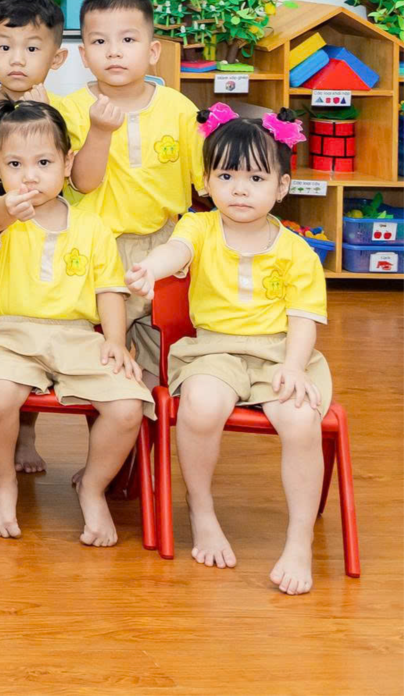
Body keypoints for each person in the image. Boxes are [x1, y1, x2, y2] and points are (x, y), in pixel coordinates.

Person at [127, 108, 333, 595]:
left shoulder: (298, 252)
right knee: (200, 406)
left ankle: (299, 539)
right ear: (206, 181)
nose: (240, 190)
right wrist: (150, 268)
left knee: (301, 421)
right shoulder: (198, 228)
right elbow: (175, 252)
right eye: (226, 176)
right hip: (212, 351)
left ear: (281, 187)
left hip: (280, 354)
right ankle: (202, 513)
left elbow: (304, 319)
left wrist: (294, 366)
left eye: (256, 179)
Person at [0, 99, 151, 545]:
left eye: (43, 163)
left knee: (127, 407)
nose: (29, 176)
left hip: (79, 337)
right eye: (15, 164)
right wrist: (9, 207)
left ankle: (93, 488)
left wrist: (115, 341)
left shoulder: (93, 226)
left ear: (67, 164)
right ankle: (4, 482)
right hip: (12, 335)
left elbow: (109, 290)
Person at [0, 0, 104, 474]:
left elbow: (81, 179)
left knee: (38, 339)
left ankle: (27, 436)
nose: (17, 59)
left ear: (56, 58)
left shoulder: (67, 112)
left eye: (32, 48)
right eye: (4, 47)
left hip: (50, 247)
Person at [59, 0, 202, 377]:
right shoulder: (72, 109)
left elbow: (207, 182)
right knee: (103, 356)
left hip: (166, 247)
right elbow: (82, 183)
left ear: (153, 51)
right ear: (84, 55)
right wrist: (99, 131)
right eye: (100, 41)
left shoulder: (179, 108)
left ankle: (153, 414)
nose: (114, 51)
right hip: (98, 248)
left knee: (165, 355)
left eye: (127, 39)